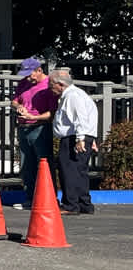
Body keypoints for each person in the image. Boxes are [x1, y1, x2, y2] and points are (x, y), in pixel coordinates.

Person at [48, 68, 99, 215]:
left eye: (52, 85)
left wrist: (80, 138)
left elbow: (80, 117)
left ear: (60, 84)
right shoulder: (78, 94)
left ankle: (71, 204)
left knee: (68, 170)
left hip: (73, 137)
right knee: (80, 171)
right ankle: (84, 204)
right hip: (82, 135)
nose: (51, 88)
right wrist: (90, 137)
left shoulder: (72, 96)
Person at [10, 57, 57, 208]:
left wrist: (34, 117)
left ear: (39, 70)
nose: (28, 77)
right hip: (23, 128)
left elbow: (52, 113)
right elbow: (15, 100)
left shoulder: (49, 85)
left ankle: (49, 200)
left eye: (30, 74)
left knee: (44, 164)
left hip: (40, 128)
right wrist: (18, 107)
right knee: (26, 166)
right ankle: (30, 199)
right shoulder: (24, 83)